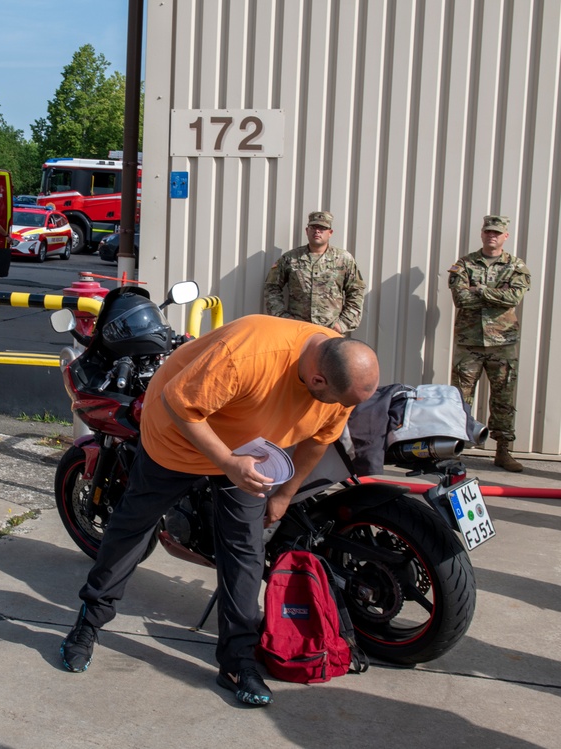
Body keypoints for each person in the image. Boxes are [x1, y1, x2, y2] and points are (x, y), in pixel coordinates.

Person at [60, 314, 380, 707]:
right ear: (317, 380)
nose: (343, 410)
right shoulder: (250, 353)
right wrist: (227, 463)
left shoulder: (340, 370)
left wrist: (283, 495)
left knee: (245, 551)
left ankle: (237, 663)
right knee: (132, 528)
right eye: (339, 402)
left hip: (247, 450)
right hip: (177, 439)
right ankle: (88, 624)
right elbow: (180, 405)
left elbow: (318, 440)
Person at [447, 214, 531, 472]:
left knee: (503, 398)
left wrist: (480, 290)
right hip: (469, 343)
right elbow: (461, 299)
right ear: (482, 234)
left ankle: (503, 451)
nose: (491, 236)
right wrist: (495, 294)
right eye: (488, 232)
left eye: (497, 232)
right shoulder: (465, 264)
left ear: (506, 236)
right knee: (460, 398)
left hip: (502, 343)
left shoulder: (516, 266)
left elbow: (513, 298)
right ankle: (454, 449)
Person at [264, 210, 366, 334]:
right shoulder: (290, 258)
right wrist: (283, 317)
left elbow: (356, 291)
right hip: (297, 330)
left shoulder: (344, 259)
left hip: (330, 331)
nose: (317, 231)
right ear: (307, 231)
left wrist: (343, 323)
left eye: (322, 228)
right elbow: (271, 287)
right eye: (313, 227)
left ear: (330, 233)